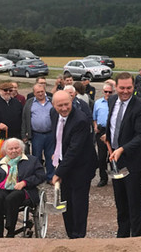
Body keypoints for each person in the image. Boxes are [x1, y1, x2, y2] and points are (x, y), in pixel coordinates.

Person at [105, 72, 141, 237]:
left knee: (133, 203)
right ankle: (122, 236)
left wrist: (122, 149)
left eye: (129, 88)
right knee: (120, 201)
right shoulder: (111, 101)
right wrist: (108, 139)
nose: (125, 91)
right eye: (122, 88)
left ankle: (137, 238)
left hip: (132, 161)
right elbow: (112, 125)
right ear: (115, 87)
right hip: (115, 160)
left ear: (133, 87)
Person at [51, 90, 98, 239]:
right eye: (60, 106)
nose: (64, 108)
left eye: (67, 104)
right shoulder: (53, 114)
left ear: (72, 101)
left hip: (81, 167)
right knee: (66, 202)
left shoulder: (80, 120)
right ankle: (70, 234)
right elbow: (58, 138)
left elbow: (74, 150)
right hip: (65, 164)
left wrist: (58, 173)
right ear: (54, 105)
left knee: (78, 204)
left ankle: (78, 237)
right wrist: (56, 155)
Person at [0, 138, 46, 237]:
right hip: (1, 189)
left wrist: (24, 182)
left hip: (23, 190)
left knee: (11, 198)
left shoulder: (31, 161)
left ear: (22, 149)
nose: (14, 151)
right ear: (5, 151)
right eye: (10, 149)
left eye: (16, 148)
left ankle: (10, 231)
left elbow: (40, 176)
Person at [21, 84, 55, 182]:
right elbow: (24, 120)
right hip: (36, 135)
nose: (40, 94)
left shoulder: (52, 101)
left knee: (50, 156)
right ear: (34, 93)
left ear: (45, 91)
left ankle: (50, 177)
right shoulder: (29, 103)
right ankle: (38, 177)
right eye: (38, 92)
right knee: (36, 157)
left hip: (50, 134)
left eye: (42, 91)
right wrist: (24, 135)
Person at [0, 82, 23, 160]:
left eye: (10, 90)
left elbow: (22, 119)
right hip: (0, 137)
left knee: (16, 159)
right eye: (5, 90)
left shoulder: (17, 103)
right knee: (0, 160)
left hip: (15, 136)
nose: (8, 92)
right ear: (0, 91)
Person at [93, 83, 113, 187]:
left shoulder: (115, 103)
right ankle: (103, 178)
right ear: (103, 91)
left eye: (110, 92)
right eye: (106, 92)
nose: (108, 94)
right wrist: (95, 126)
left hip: (112, 131)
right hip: (100, 131)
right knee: (101, 157)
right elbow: (94, 117)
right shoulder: (98, 103)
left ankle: (115, 176)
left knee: (113, 155)